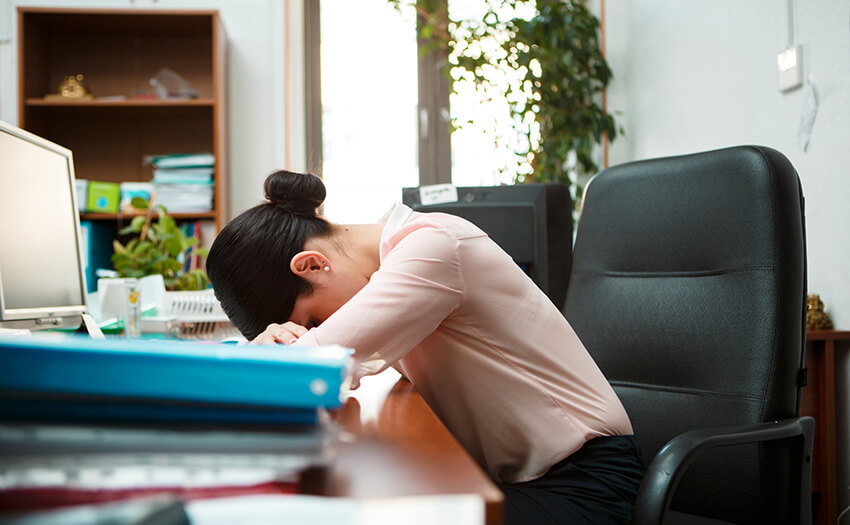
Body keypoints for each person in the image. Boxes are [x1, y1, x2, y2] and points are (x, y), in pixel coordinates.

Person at [206, 170, 645, 524]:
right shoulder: (399, 260)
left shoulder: (432, 247)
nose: (319, 329)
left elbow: (316, 364)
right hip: (527, 477)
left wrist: (275, 356)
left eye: (312, 321)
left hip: (586, 483)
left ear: (312, 264)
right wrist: (270, 345)